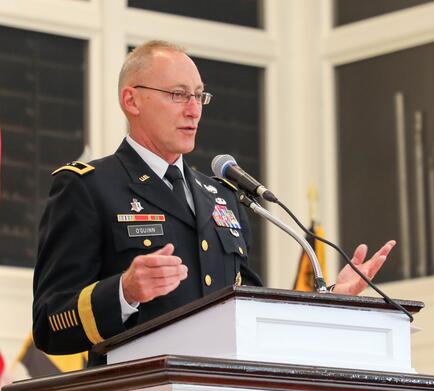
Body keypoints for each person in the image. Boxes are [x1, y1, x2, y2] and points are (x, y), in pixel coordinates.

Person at [32, 41, 395, 367]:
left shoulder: (223, 197)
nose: (194, 110)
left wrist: (329, 302)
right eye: (178, 95)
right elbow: (50, 323)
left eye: (199, 96)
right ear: (132, 100)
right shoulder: (89, 187)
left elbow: (252, 312)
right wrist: (124, 292)